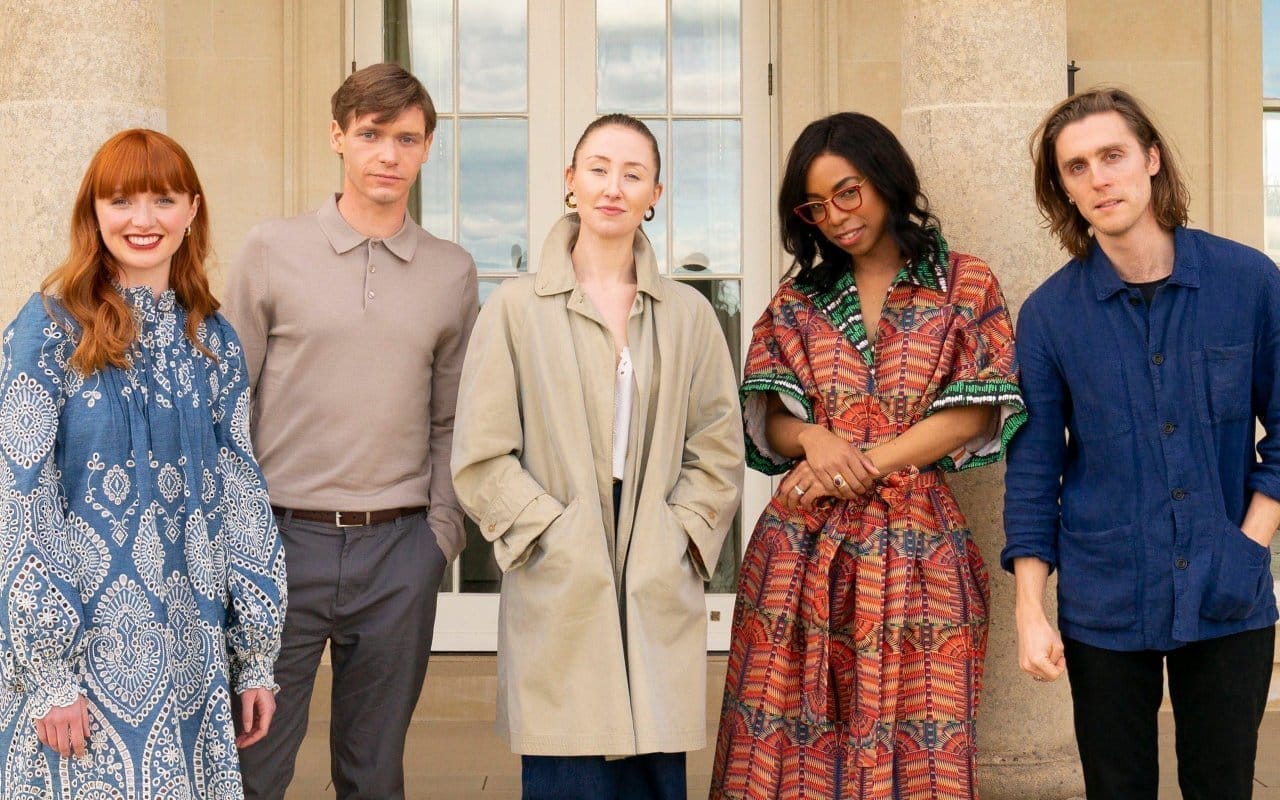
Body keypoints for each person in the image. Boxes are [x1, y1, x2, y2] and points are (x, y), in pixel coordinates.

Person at [711, 112, 1026, 800]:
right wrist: (814, 439)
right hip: (799, 553)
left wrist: (865, 464)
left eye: (847, 192)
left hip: (919, 552)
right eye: (815, 206)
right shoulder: (799, 299)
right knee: (786, 750)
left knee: (922, 748)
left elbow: (975, 411)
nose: (835, 217)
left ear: (885, 180)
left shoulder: (962, 284)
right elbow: (768, 417)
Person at [450, 113, 744, 800]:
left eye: (633, 174)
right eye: (599, 169)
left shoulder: (689, 315)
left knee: (653, 773)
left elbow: (718, 445)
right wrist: (548, 533)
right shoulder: (516, 309)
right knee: (569, 766)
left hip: (653, 551)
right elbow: (481, 454)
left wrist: (680, 535)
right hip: (561, 553)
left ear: (655, 194)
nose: (614, 187)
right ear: (571, 181)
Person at [1003, 87, 1279, 800]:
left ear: (1151, 159)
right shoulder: (1049, 316)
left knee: (1222, 786)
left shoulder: (1248, 281)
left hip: (1229, 588)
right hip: (1105, 598)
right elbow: (1034, 470)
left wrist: (1249, 543)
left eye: (1113, 155)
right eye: (1076, 167)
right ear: (1063, 188)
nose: (1098, 178)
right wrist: (1030, 609)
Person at [0, 128, 285, 799]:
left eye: (162, 199)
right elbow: (19, 495)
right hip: (83, 665)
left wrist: (254, 657)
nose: (142, 219)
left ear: (191, 210)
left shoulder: (212, 339)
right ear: (94, 213)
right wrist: (50, 674)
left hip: (194, 654)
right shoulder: (48, 329)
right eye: (121, 200)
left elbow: (241, 493)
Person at [224, 63, 478, 799]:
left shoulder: (452, 272)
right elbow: (226, 406)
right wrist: (236, 540)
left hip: (399, 551)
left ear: (427, 147)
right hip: (280, 544)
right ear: (338, 137)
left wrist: (439, 537)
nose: (388, 155)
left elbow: (452, 418)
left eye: (407, 138)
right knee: (253, 769)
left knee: (373, 775)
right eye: (371, 134)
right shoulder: (270, 249)